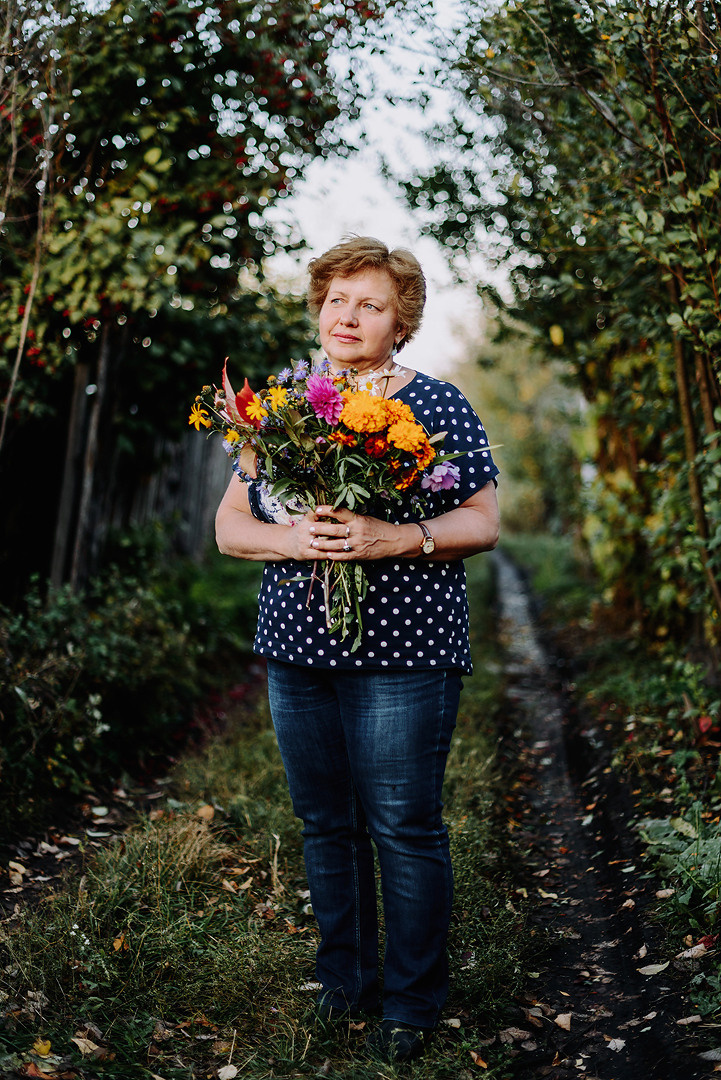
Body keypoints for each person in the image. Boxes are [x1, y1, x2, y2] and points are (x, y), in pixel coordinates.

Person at [215, 236, 500, 1062]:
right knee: (323, 825)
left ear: (399, 321)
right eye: (338, 299)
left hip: (403, 651)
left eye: (369, 304)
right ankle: (345, 986)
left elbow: (479, 523)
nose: (348, 316)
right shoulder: (279, 408)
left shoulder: (438, 407)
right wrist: (294, 536)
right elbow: (231, 529)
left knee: (402, 826)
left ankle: (410, 1004)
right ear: (319, 307)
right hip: (298, 646)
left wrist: (391, 536)